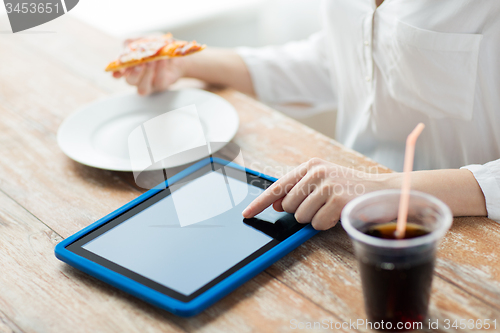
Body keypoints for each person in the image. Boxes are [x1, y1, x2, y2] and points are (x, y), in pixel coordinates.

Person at [113, 0, 500, 230]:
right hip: (339, 206)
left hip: (463, 231)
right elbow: (346, 60)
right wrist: (189, 60)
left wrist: (383, 190)